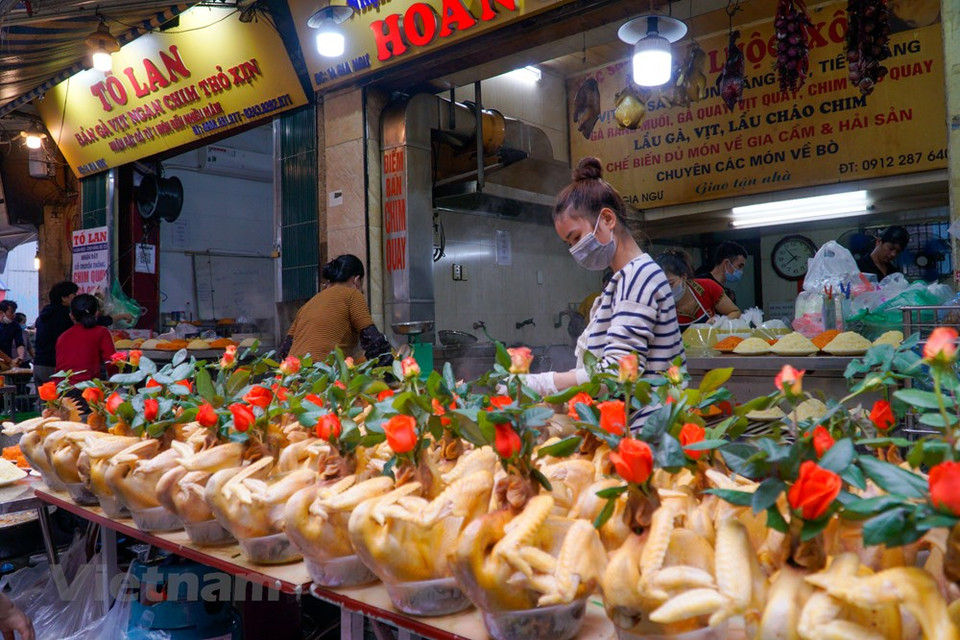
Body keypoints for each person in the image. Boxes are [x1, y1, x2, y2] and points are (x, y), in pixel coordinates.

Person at [521, 157, 684, 422]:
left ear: (607, 219)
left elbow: (619, 374)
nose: (574, 249)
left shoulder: (640, 276)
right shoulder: (622, 280)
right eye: (568, 243)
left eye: (576, 237)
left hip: (645, 432)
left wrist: (542, 383)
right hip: (628, 428)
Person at [283, 255, 393, 364]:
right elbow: (373, 341)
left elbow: (285, 350)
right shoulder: (352, 295)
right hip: (322, 375)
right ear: (357, 281)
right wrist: (389, 373)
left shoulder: (308, 304)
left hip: (292, 376)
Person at [658, 249, 741, 329]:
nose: (667, 290)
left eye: (670, 284)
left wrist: (720, 322)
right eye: (662, 286)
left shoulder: (707, 287)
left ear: (684, 276)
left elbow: (735, 312)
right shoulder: (659, 305)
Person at [55, 294, 115, 405]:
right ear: (97, 313)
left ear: (71, 315)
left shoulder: (62, 337)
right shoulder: (101, 332)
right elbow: (111, 362)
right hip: (86, 391)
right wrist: (116, 382)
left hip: (61, 391)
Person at [0, 300, 25, 365]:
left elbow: (19, 343)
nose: (14, 315)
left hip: (6, 362)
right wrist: (9, 360)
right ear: (1, 312)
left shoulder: (15, 325)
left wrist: (20, 357)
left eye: (14, 312)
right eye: (11, 312)